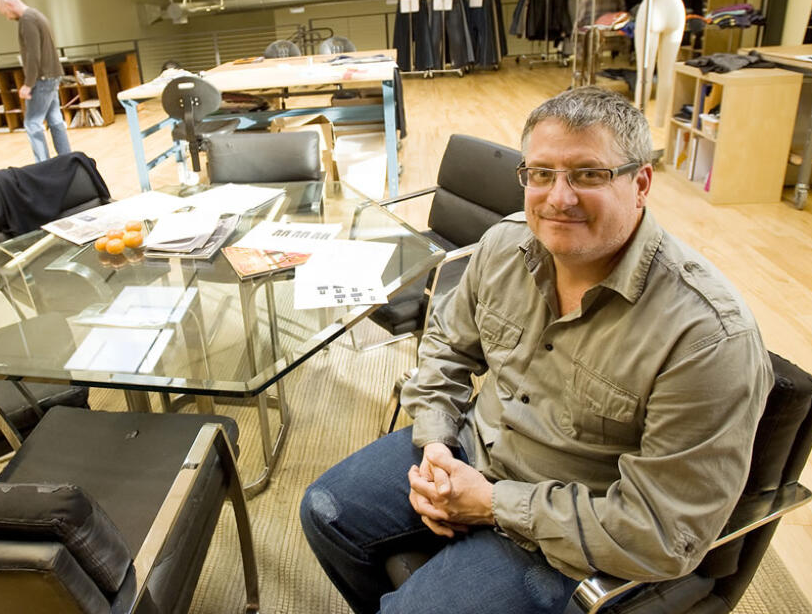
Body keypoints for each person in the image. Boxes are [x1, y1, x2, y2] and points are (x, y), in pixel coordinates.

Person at [300, 87, 772, 614]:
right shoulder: (504, 245)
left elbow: (662, 532)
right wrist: (435, 440)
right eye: (541, 173)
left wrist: (490, 505)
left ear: (640, 183)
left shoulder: (705, 339)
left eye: (589, 174)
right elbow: (447, 347)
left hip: (574, 522)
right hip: (475, 449)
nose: (558, 198)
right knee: (325, 512)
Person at [0, 0, 71, 162]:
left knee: (32, 124)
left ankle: (42, 165)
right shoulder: (37, 15)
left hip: (43, 78)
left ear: (10, 5)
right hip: (52, 75)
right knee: (55, 120)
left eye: (5, 13)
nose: (7, 17)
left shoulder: (27, 20)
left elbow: (33, 55)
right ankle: (67, 159)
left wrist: (28, 84)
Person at [635, 0, 695, 126]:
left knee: (644, 72)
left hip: (653, 8)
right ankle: (660, 121)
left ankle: (640, 121)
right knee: (666, 72)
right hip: (676, 9)